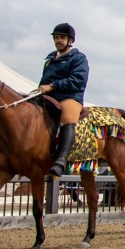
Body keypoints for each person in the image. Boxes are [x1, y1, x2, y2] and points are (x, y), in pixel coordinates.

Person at [40, 23, 88, 177]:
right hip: (47, 94)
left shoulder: (79, 58)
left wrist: (53, 86)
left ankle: (61, 160)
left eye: (61, 37)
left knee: (67, 119)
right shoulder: (50, 57)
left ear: (70, 40)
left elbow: (78, 80)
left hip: (70, 96)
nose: (58, 40)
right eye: (56, 37)